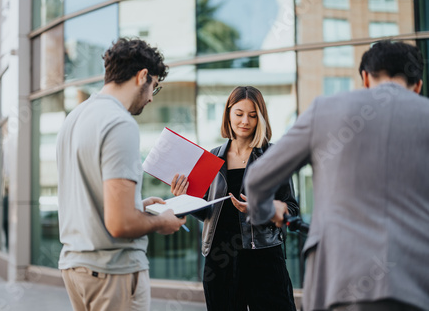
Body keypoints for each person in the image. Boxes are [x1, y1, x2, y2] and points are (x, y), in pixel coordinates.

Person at [245, 41, 429, 311]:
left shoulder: (326, 110)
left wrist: (266, 211)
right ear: (418, 85)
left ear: (365, 77)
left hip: (339, 282)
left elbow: (257, 178)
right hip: (417, 284)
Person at [56, 37, 187, 311]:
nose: (151, 97)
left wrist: (137, 207)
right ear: (142, 76)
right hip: (112, 273)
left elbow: (90, 202)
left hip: (76, 268)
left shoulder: (74, 117)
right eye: (154, 87)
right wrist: (162, 221)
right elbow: (120, 224)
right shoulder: (120, 123)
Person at [171, 86, 298, 311]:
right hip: (220, 261)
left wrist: (260, 209)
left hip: (265, 258)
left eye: (252, 115)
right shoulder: (211, 158)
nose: (245, 121)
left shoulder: (274, 156)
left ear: (261, 118)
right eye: (239, 114)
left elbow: (291, 210)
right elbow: (208, 212)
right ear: (228, 113)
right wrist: (185, 199)